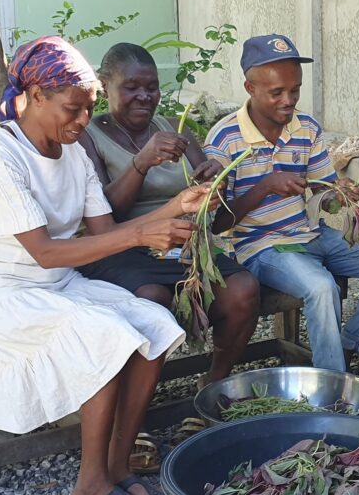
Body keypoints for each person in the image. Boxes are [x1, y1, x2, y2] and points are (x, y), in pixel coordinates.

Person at [0, 36, 214, 495]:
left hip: (56, 283)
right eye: (72, 110)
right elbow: (46, 252)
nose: (81, 122)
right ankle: (89, 485)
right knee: (105, 337)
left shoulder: (71, 152)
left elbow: (107, 230)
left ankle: (117, 466)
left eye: (89, 110)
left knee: (154, 325)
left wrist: (178, 206)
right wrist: (143, 236)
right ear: (33, 96)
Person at [205, 34, 359, 372]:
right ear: (250, 88)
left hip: (312, 234)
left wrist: (340, 194)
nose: (288, 101)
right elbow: (218, 225)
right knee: (321, 288)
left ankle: (347, 349)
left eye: (295, 90)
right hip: (262, 247)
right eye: (276, 93)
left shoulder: (306, 127)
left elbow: (323, 195)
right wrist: (264, 187)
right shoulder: (224, 138)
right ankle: (332, 392)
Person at [77, 43, 260, 386]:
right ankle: (131, 401)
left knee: (244, 288)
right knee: (152, 299)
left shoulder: (176, 127)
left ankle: (215, 381)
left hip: (184, 247)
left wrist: (214, 181)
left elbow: (208, 200)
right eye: (131, 87)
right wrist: (141, 163)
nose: (144, 96)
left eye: (151, 87)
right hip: (120, 250)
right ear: (105, 85)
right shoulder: (89, 138)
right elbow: (104, 217)